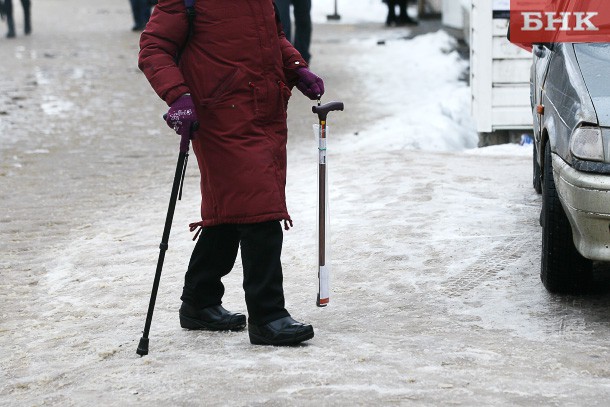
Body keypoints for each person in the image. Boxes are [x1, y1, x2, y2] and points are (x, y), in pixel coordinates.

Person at [138, 0, 325, 346]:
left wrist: (296, 67)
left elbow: (273, 38)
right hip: (219, 113)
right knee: (260, 206)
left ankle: (199, 301)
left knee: (236, 205)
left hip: (264, 109)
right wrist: (177, 96)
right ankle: (268, 316)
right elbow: (154, 48)